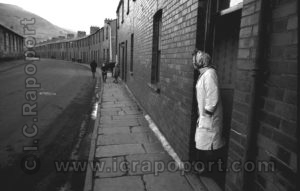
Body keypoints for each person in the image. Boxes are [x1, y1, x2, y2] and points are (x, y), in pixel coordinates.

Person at [192, 50, 226, 180]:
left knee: (210, 144)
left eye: (194, 60)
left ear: (200, 62)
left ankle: (212, 171)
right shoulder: (204, 74)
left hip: (210, 117)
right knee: (203, 142)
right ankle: (205, 168)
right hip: (204, 117)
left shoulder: (210, 74)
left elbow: (213, 96)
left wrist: (207, 114)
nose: (192, 63)